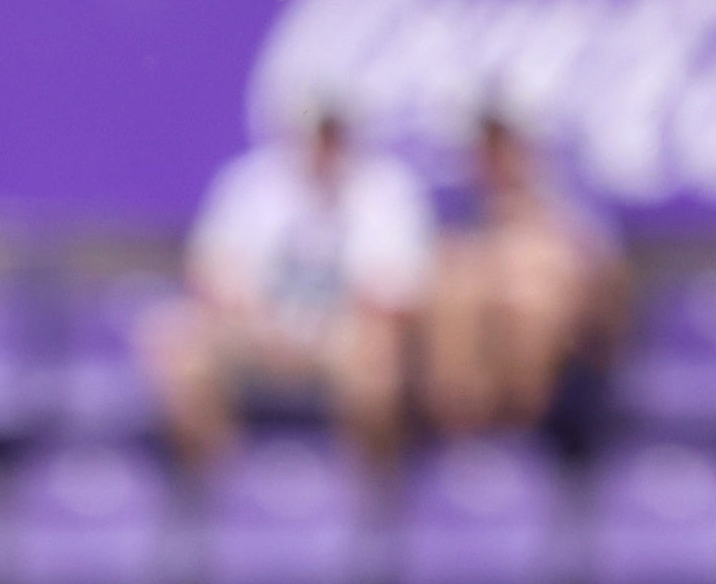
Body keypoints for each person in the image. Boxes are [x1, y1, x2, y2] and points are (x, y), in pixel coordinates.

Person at [146, 102, 438, 466]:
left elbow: (402, 287)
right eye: (319, 132)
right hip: (256, 328)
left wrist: (335, 322)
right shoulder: (250, 181)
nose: (326, 145)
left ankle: (368, 503)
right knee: (177, 345)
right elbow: (209, 267)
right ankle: (220, 491)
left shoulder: (386, 187)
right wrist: (256, 317)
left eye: (335, 134)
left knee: (378, 369)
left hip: (344, 332)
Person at [422, 118, 623, 442]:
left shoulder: (567, 208)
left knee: (530, 299)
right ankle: (464, 429)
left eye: (504, 148)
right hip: (474, 363)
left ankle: (518, 435)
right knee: (458, 293)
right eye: (487, 151)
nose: (496, 160)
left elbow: (604, 283)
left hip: (565, 365)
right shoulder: (458, 210)